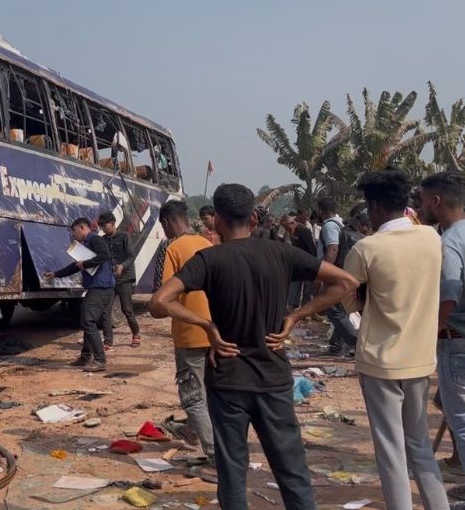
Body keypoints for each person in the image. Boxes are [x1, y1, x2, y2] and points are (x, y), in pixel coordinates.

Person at [150, 183, 357, 510]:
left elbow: (159, 302)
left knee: (232, 475)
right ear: (252, 217)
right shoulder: (282, 253)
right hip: (273, 377)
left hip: (227, 379)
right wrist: (297, 315)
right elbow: (346, 282)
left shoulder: (209, 259)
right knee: (292, 472)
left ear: (216, 219)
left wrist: (207, 325)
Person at [342, 169, 448, 510]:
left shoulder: (366, 248)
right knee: (419, 444)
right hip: (420, 356)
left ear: (373, 207)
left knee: (390, 450)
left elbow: (348, 299)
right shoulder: (432, 239)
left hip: (380, 359)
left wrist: (368, 298)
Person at [157, 199, 216, 464]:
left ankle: (216, 455)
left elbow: (164, 298)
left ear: (168, 221)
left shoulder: (173, 248)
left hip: (189, 332)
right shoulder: (207, 244)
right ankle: (194, 431)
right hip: (215, 330)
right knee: (210, 392)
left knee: (192, 396)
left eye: (163, 225)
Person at [419, 171, 465, 501]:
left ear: (436, 201)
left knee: (460, 417)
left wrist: (427, 332)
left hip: (456, 340)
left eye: (422, 201)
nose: (419, 207)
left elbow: (449, 294)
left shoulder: (449, 241)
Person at [45, 218, 115, 372]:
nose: (73, 234)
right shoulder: (86, 245)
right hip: (96, 288)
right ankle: (85, 357)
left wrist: (86, 264)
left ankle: (100, 360)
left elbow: (105, 256)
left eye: (74, 230)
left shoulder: (95, 240)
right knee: (86, 318)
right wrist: (56, 274)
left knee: (88, 319)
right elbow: (75, 266)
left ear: (83, 228)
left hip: (102, 287)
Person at [317, 197, 358, 357]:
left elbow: (332, 249)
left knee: (333, 309)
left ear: (321, 211)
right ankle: (336, 346)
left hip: (335, 273)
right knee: (342, 310)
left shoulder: (328, 226)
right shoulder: (341, 223)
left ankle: (356, 343)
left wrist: (324, 274)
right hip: (346, 271)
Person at [98, 212, 142, 347]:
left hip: (124, 279)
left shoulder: (124, 236)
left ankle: (136, 334)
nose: (103, 228)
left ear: (112, 223)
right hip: (109, 279)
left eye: (104, 225)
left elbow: (131, 255)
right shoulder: (103, 239)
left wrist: (122, 266)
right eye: (101, 226)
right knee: (106, 311)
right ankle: (108, 341)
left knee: (127, 309)